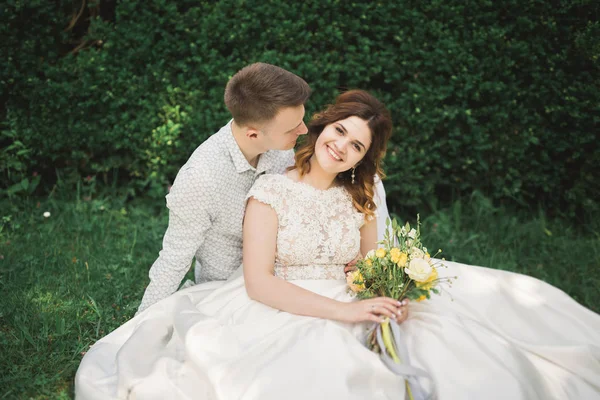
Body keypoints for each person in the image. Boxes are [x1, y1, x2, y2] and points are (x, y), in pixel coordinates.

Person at [76, 90, 600, 400]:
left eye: (357, 146)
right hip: (282, 301)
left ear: (362, 158)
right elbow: (260, 283)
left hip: (353, 293)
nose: (342, 146)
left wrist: (373, 285)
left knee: (466, 328)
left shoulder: (362, 194)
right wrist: (343, 312)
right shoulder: (272, 189)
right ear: (323, 124)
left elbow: (370, 258)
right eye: (341, 131)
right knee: (319, 368)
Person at [137, 62, 391, 313]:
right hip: (230, 292)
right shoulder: (201, 179)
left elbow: (314, 198)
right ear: (253, 135)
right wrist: (139, 325)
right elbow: (173, 261)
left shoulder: (281, 151)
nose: (304, 130)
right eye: (293, 128)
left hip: (312, 288)